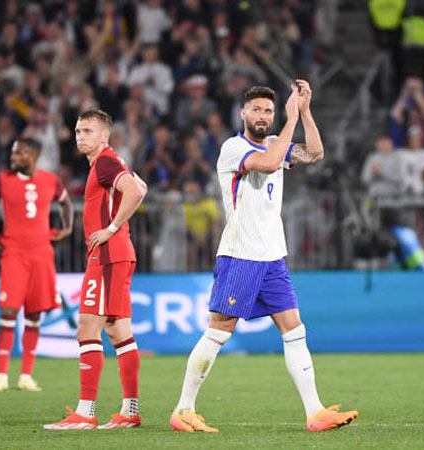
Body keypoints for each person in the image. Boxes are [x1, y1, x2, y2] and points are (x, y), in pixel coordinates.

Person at [169, 83, 359, 433]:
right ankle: (183, 409)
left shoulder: (276, 142)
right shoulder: (233, 148)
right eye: (256, 110)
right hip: (241, 256)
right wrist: (289, 120)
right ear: (243, 113)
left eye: (268, 111)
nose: (262, 116)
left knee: (294, 330)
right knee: (218, 332)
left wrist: (303, 111)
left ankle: (315, 411)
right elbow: (270, 165)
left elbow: (316, 153)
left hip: (272, 257)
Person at [44, 109, 147, 430]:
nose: (79, 136)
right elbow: (140, 188)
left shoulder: (104, 161)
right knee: (119, 332)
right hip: (118, 256)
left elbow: (132, 191)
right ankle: (130, 411)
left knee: (87, 329)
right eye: (77, 131)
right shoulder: (109, 161)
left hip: (107, 256)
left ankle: (86, 413)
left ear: (104, 136)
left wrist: (112, 228)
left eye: (87, 131)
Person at [0, 138, 73, 392]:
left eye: (19, 153)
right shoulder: (3, 180)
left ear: (33, 155)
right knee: (8, 311)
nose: (13, 156)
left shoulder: (50, 180)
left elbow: (66, 203)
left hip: (42, 253)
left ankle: (26, 375)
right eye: (13, 152)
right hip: (14, 253)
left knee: (34, 314)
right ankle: (1, 375)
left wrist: (67, 228)